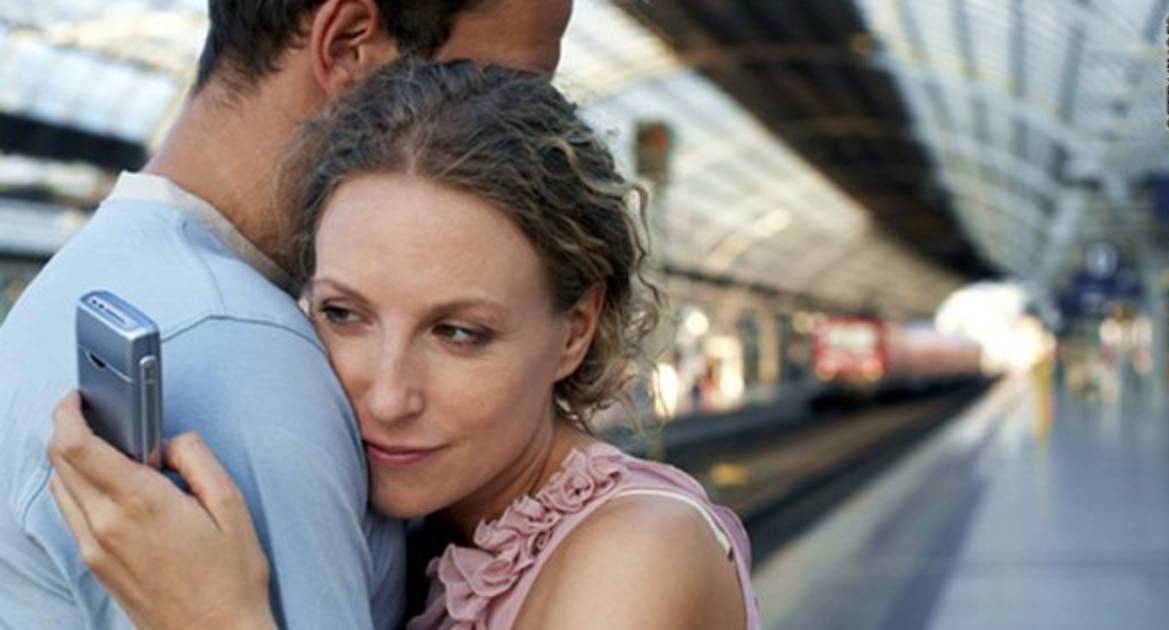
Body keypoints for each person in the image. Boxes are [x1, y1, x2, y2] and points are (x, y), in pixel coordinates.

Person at [48, 58, 762, 629]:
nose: (388, 398)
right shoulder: (411, 533)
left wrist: (212, 619)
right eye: (343, 314)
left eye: (459, 333)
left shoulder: (642, 549)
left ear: (575, 329)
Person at [0, 1, 571, 627]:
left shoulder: (94, 276)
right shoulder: (240, 353)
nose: (536, 138)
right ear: (350, 45)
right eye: (507, 89)